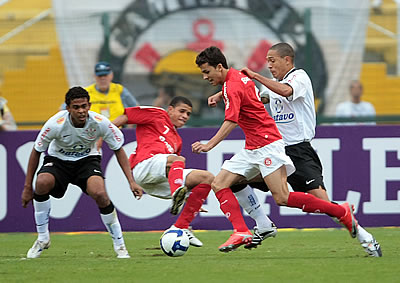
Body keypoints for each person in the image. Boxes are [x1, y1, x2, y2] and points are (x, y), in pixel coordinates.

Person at [193, 46, 358, 253]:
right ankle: (247, 229)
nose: (204, 77)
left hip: (279, 146)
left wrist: (210, 144)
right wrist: (221, 95)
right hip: (257, 146)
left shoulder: (295, 78)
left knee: (286, 198)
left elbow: (235, 118)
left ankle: (343, 214)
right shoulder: (238, 80)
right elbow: (252, 96)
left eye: (207, 72)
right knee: (222, 183)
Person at [233, 43, 381, 257]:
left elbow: (285, 91)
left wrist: (256, 76)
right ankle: (263, 224)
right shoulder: (274, 84)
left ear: (287, 60)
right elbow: (257, 99)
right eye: (268, 61)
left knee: (325, 204)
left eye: (273, 60)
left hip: (299, 151)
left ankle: (365, 237)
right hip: (275, 151)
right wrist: (224, 94)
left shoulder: (299, 77)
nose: (270, 65)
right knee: (236, 180)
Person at [21, 86, 143, 259]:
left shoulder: (100, 122)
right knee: (41, 183)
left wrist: (131, 181)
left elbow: (118, 149)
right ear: (68, 108)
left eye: (84, 106)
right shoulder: (55, 124)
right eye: (76, 107)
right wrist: (27, 187)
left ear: (89, 105)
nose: (81, 111)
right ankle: (42, 238)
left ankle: (120, 245)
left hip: (87, 161)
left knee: (100, 193)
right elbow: (36, 151)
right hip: (58, 161)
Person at [112, 97, 214, 247]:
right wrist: (107, 133)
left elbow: (172, 172)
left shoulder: (177, 140)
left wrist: (190, 199)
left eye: (188, 114)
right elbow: (126, 117)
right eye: (182, 111)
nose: (185, 116)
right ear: (170, 109)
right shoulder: (157, 114)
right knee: (178, 160)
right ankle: (176, 194)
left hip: (156, 181)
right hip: (143, 166)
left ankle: (182, 227)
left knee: (207, 177)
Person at [60, 61, 139, 121]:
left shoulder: (120, 90)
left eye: (105, 75)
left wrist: (130, 126)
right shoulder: (86, 92)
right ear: (94, 76)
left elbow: (135, 108)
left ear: (111, 75)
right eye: (100, 76)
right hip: (92, 132)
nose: (103, 78)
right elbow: (63, 109)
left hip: (118, 131)